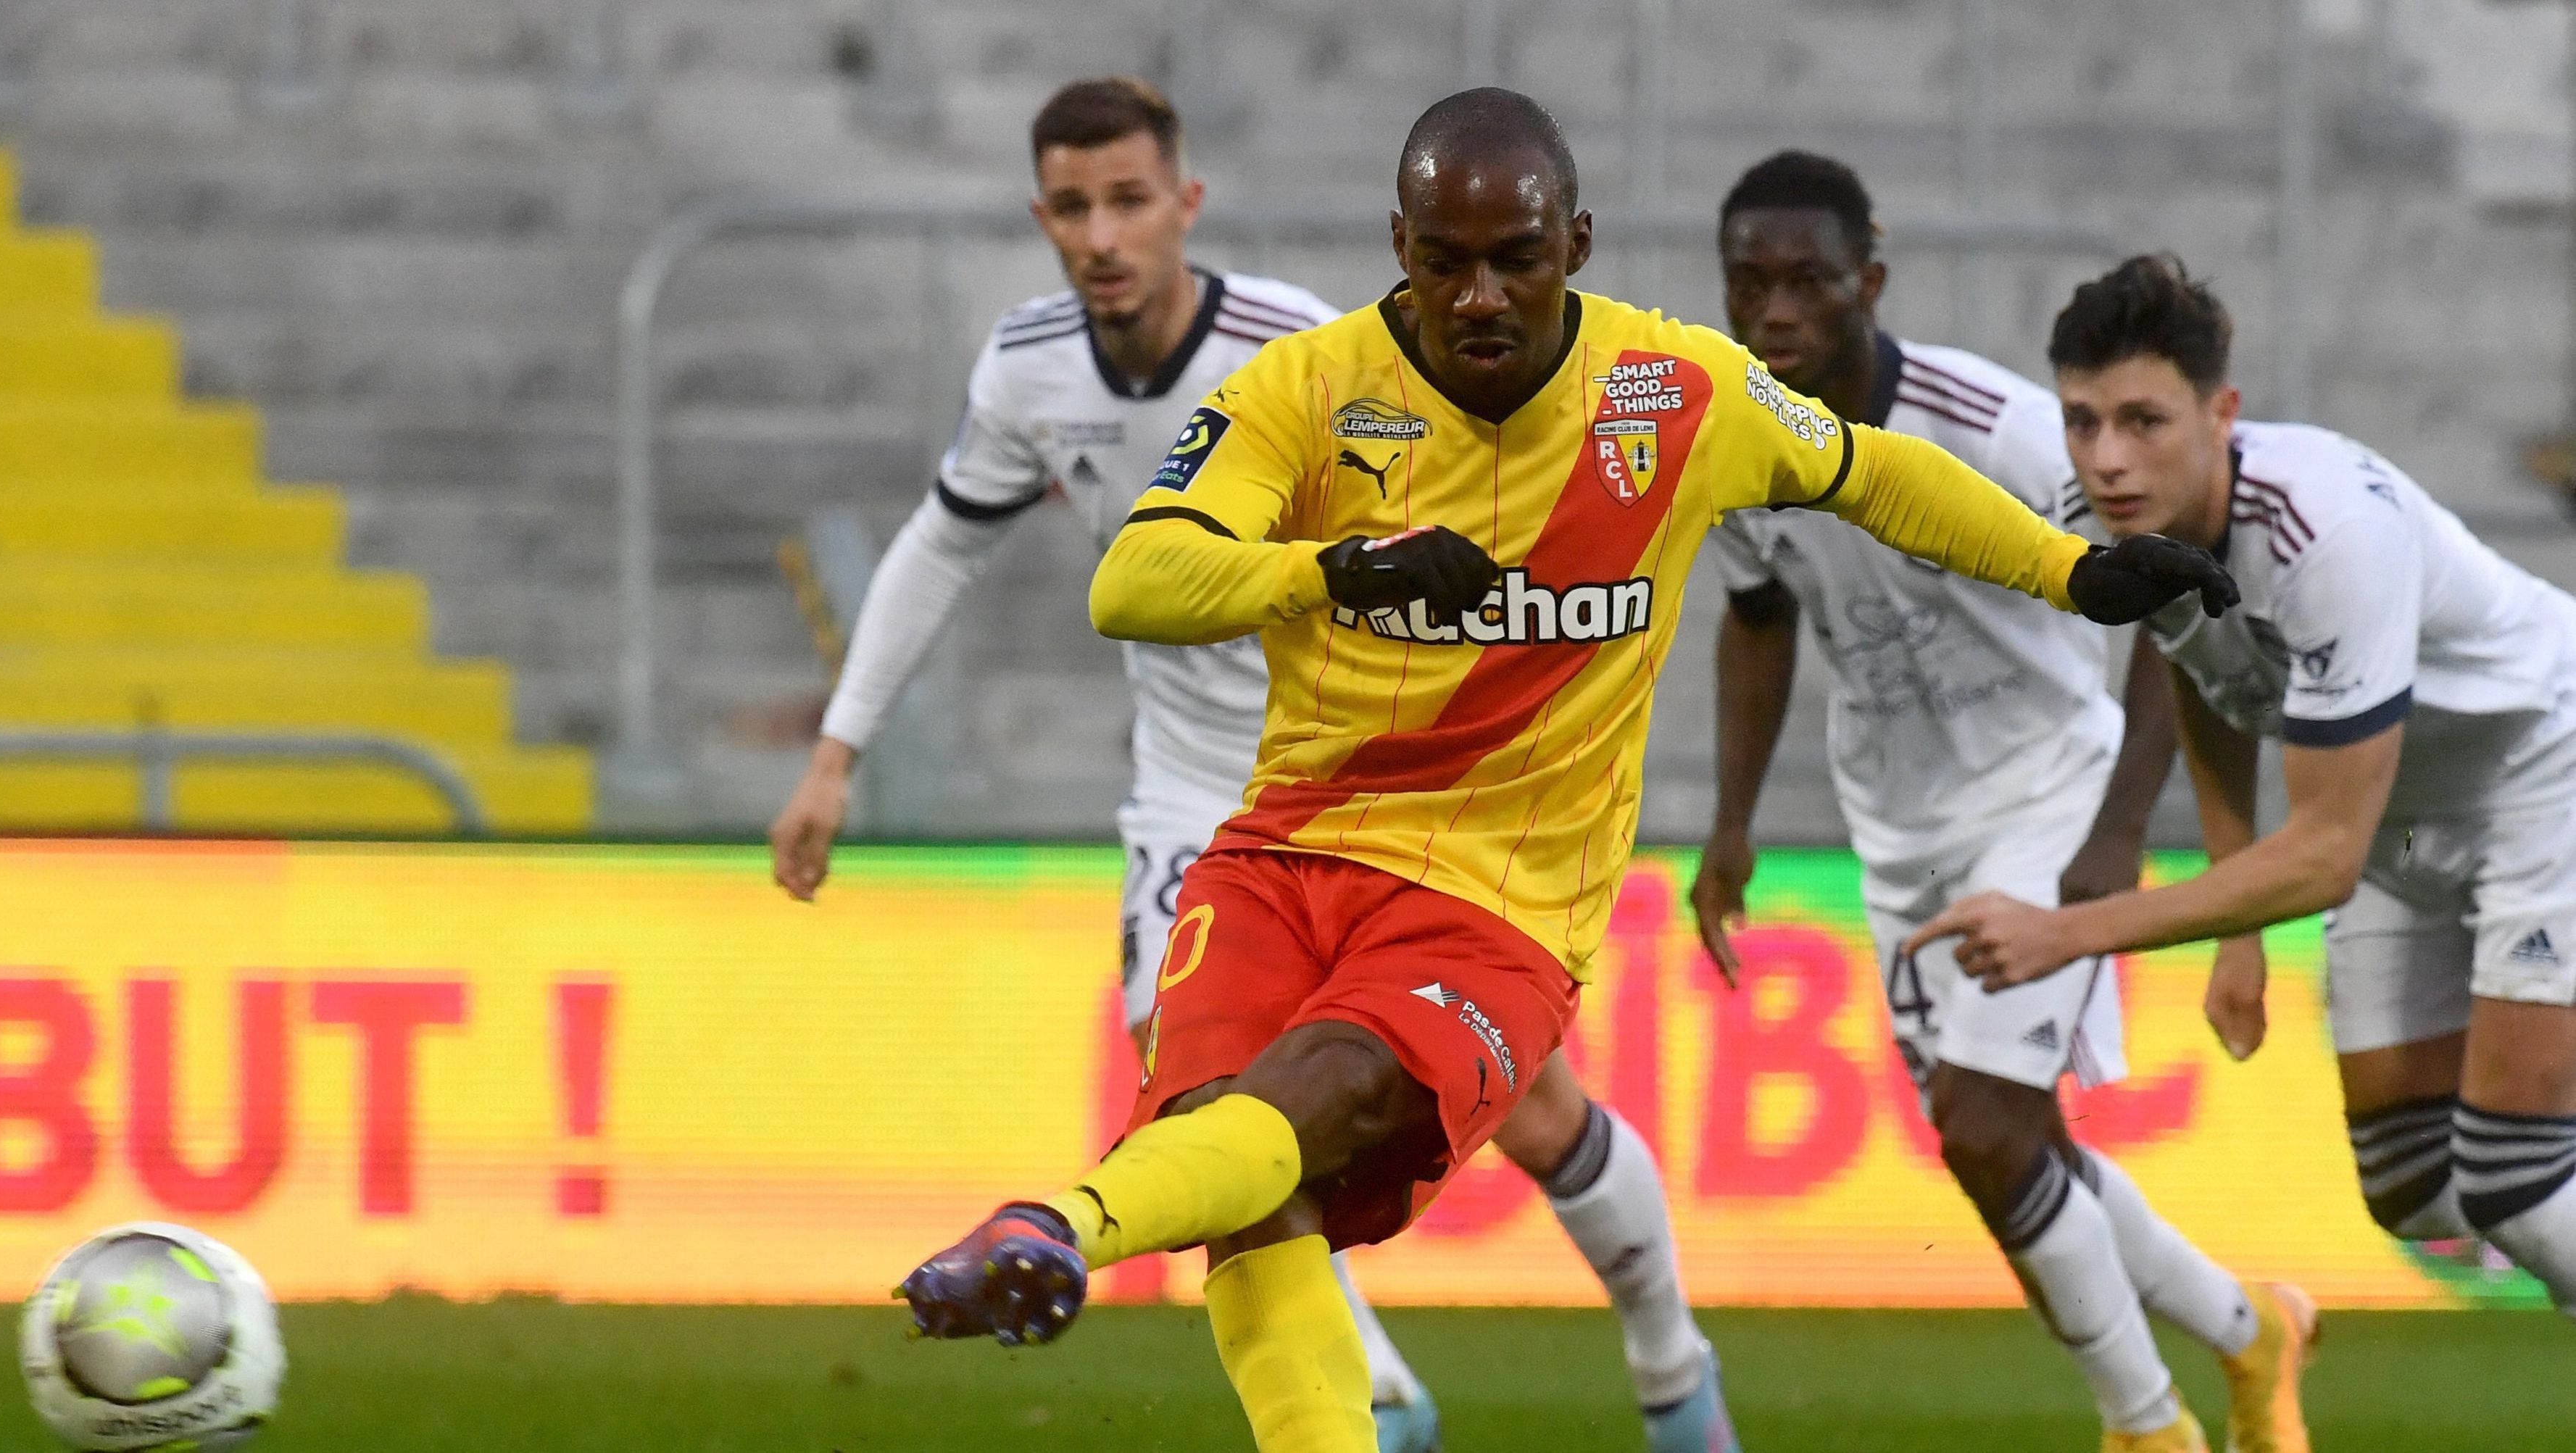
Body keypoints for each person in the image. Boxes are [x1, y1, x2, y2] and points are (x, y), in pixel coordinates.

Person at [895, 89, 2232, 1453]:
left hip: (1496, 910)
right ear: (1397, 247)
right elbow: (1134, 580)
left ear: (1576, 243)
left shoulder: (1673, 390)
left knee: (1311, 1105)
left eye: (1515, 260)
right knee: (1244, 1193)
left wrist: (2072, 569)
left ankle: (1056, 1224)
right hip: (1284, 857)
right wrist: (1331, 567)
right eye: (1443, 260)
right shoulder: (1304, 388)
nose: (1478, 296)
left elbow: (1873, 473)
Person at [765, 76, 1732, 1453]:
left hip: (1379, 784)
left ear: (1185, 206)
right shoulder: (1027, 367)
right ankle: (1373, 1403)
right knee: (1204, 1092)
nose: (1102, 237)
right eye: (1072, 208)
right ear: (1041, 217)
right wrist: (835, 752)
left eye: (1129, 202)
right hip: (1194, 794)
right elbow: (939, 544)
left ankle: (1670, 1367)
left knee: (1534, 1112)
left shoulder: (1316, 353)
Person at [1691, 155, 2312, 1453]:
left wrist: (2118, 827)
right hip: (1899, 833)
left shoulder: (1996, 428)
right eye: (1750, 282)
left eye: (1808, 280)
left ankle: (2147, 1426)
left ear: (1869, 279)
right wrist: (1731, 825)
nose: (1777, 310)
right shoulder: (1736, 440)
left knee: (1987, 1133)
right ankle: (2252, 1329)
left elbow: (2168, 597)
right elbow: (1753, 621)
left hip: (2046, 795)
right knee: (2007, 1145)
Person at [1911, 254, 2576, 1326]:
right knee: (2409, 1187)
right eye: (2081, 422)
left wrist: (2070, 934)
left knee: (2518, 1182)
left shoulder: (2325, 532)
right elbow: (2205, 676)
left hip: (2544, 766)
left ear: (2221, 411)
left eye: (2142, 420)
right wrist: (2234, 928)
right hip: (2401, 810)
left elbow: (2322, 856)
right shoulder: (2118, 526)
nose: (2107, 458)